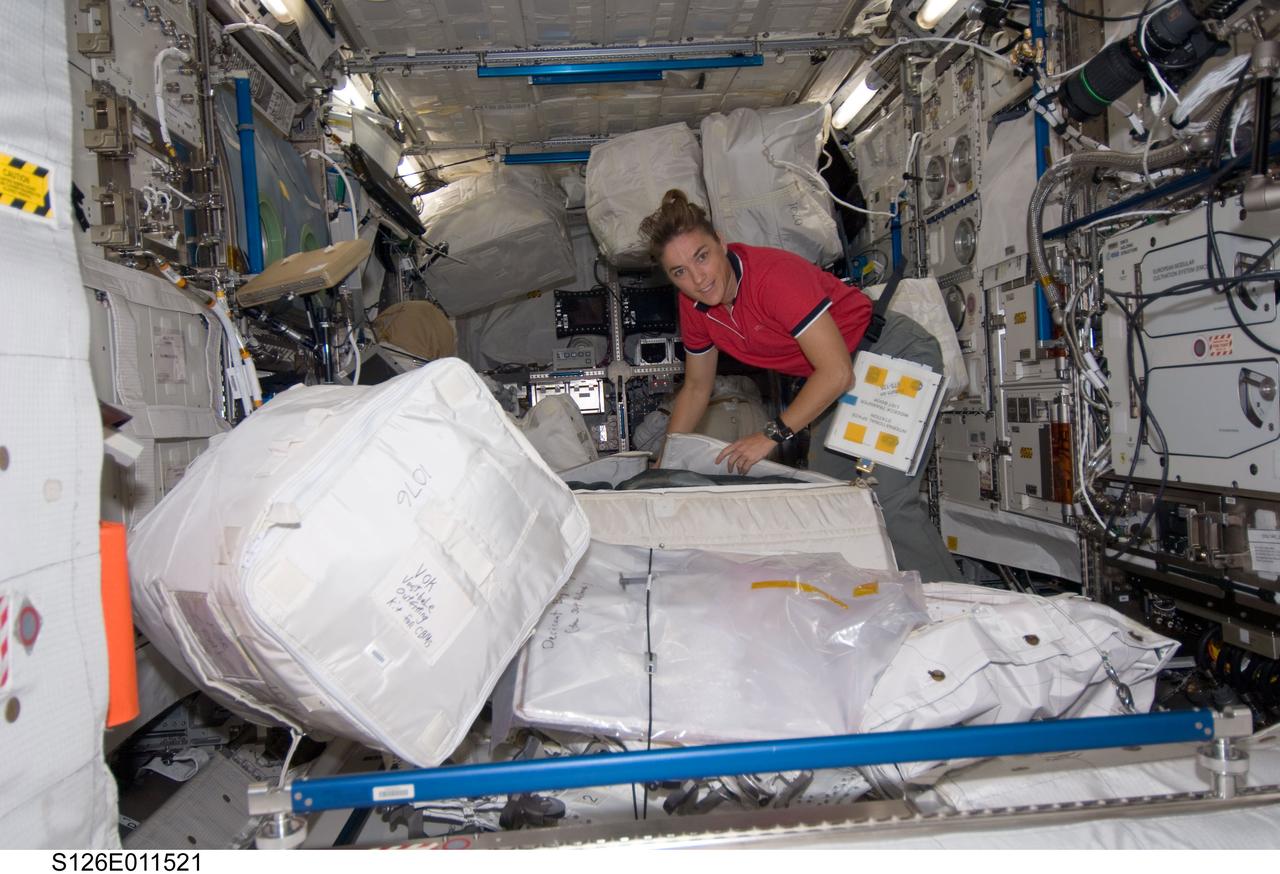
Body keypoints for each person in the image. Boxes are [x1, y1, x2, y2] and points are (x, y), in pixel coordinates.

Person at [639, 189, 957, 583]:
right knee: (833, 503)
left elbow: (837, 372)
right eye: (679, 272)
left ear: (721, 242)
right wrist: (666, 462)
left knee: (884, 501)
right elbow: (696, 388)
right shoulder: (695, 307)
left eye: (701, 257)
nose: (698, 279)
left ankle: (962, 606)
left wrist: (770, 435)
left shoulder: (772, 277)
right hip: (836, 376)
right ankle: (879, 600)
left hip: (888, 356)